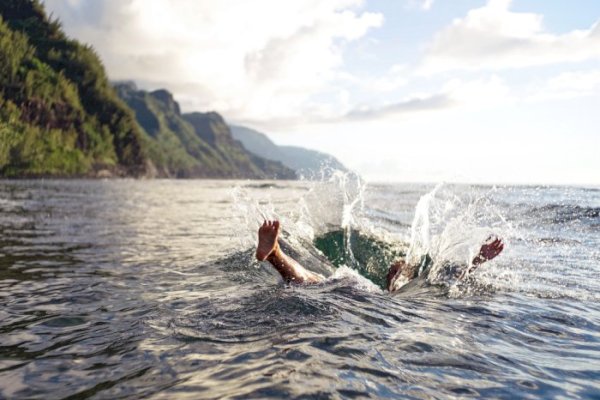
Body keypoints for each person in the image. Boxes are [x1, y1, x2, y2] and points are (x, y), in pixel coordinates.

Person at [256, 220, 504, 292]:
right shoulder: (384, 293)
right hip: (360, 295)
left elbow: (447, 278)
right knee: (313, 281)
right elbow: (449, 280)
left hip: (351, 291)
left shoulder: (402, 291)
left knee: (313, 281)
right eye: (394, 270)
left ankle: (275, 253)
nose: (394, 271)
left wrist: (477, 261)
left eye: (397, 271)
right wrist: (477, 261)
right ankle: (274, 253)